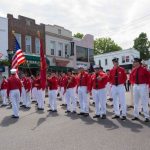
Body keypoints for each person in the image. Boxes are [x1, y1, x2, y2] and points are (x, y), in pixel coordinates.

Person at [130, 58, 150, 122]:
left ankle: (147, 116)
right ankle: (136, 115)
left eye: (135, 62)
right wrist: (133, 83)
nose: (134, 63)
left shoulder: (144, 69)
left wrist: (147, 85)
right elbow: (131, 77)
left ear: (138, 62)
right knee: (136, 102)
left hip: (143, 86)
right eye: (134, 62)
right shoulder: (133, 70)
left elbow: (149, 77)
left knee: (144, 101)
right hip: (136, 86)